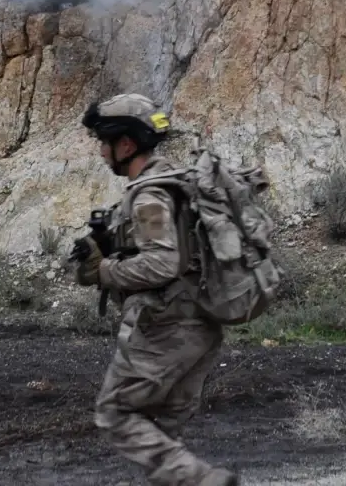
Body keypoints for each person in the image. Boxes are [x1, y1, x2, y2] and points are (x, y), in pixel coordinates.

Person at [71, 93, 239, 486]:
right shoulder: (177, 185)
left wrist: (105, 271)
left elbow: (163, 263)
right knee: (163, 433)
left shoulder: (149, 194)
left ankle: (205, 482)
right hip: (200, 327)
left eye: (104, 143)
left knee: (116, 414)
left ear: (125, 144)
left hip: (168, 328)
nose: (101, 153)